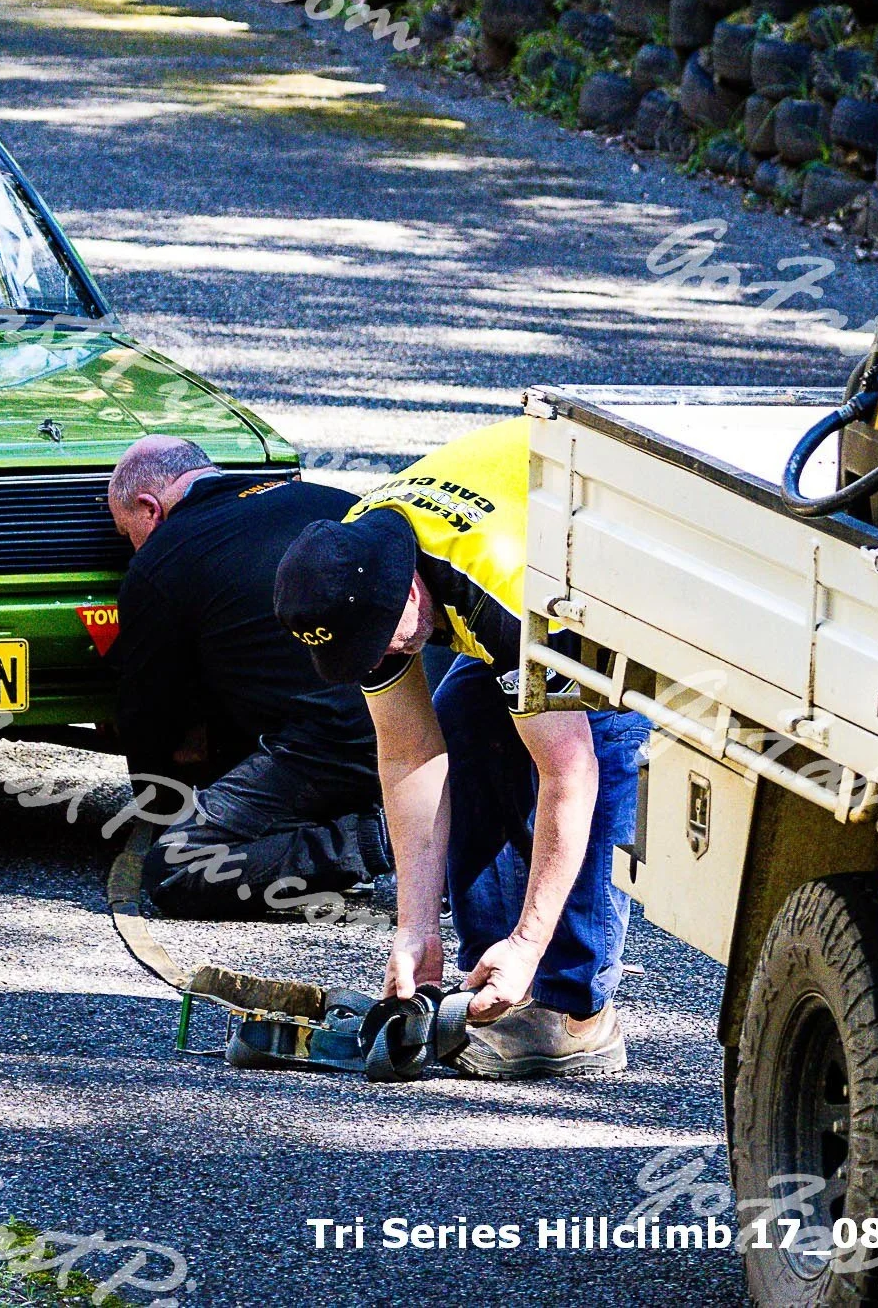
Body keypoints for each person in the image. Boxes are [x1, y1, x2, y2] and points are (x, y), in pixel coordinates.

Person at [274, 418, 649, 1079]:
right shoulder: (354, 567)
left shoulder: (504, 591)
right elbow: (408, 753)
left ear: (409, 589)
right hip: (513, 558)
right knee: (461, 719)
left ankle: (574, 1011)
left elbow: (571, 773)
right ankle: (494, 987)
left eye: (383, 640)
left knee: (599, 740)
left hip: (607, 560)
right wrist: (414, 930)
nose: (382, 658)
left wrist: (531, 943)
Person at [107, 438, 388, 917]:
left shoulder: (163, 559)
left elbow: (147, 718)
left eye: (125, 532)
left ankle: (378, 840)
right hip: (426, 726)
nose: (132, 547)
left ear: (148, 508)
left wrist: (168, 817)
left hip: (331, 750)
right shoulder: (336, 500)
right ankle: (415, 811)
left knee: (175, 869)